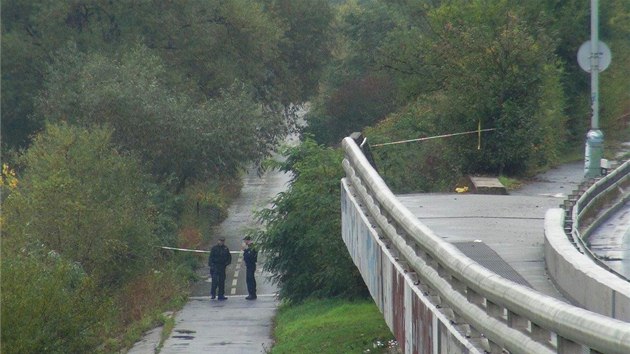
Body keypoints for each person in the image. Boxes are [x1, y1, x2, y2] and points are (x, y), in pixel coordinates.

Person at [242, 236, 258, 300]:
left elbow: (250, 256)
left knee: (250, 279)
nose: (244, 242)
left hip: (251, 265)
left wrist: (245, 250)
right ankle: (251, 293)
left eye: (245, 241)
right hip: (249, 265)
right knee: (249, 279)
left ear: (248, 240)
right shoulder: (250, 247)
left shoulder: (251, 247)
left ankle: (252, 294)